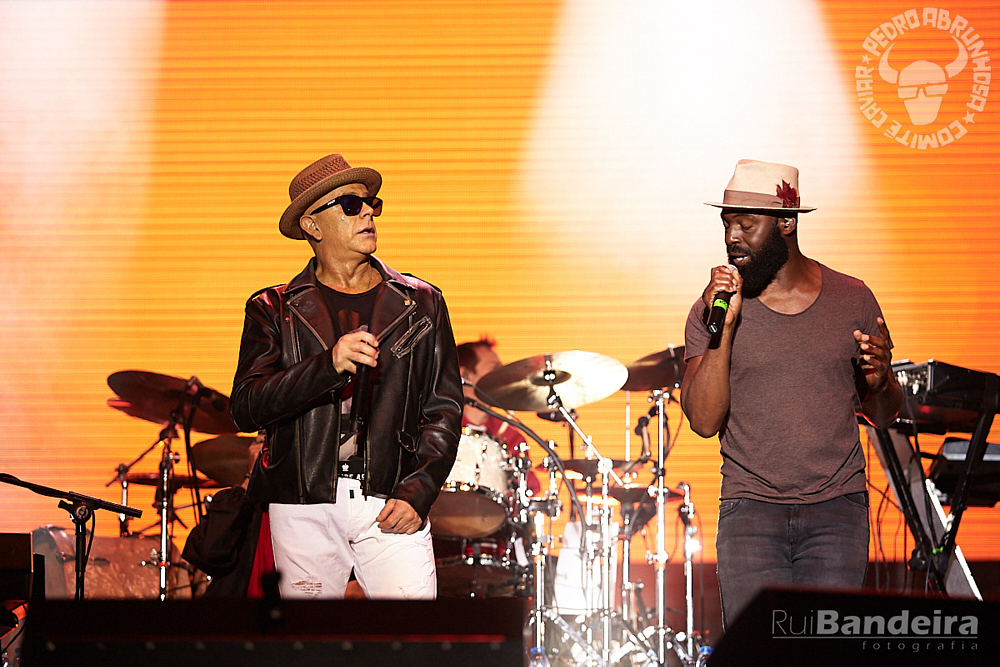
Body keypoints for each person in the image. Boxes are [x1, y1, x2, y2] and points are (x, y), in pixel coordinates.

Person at [679, 159, 902, 627]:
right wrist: (728, 324)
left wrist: (882, 382)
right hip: (750, 512)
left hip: (837, 512)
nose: (732, 236)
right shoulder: (711, 311)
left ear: (786, 222)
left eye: (746, 223)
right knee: (758, 653)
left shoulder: (852, 299)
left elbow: (882, 413)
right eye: (727, 223)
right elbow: (702, 421)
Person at [230, 153, 463, 600]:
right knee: (311, 647)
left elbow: (445, 409)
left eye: (372, 204)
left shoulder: (422, 302)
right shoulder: (271, 309)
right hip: (303, 504)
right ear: (313, 227)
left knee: (413, 644)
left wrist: (420, 489)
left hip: (391, 497)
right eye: (350, 206)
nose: (368, 214)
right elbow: (246, 406)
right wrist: (326, 367)